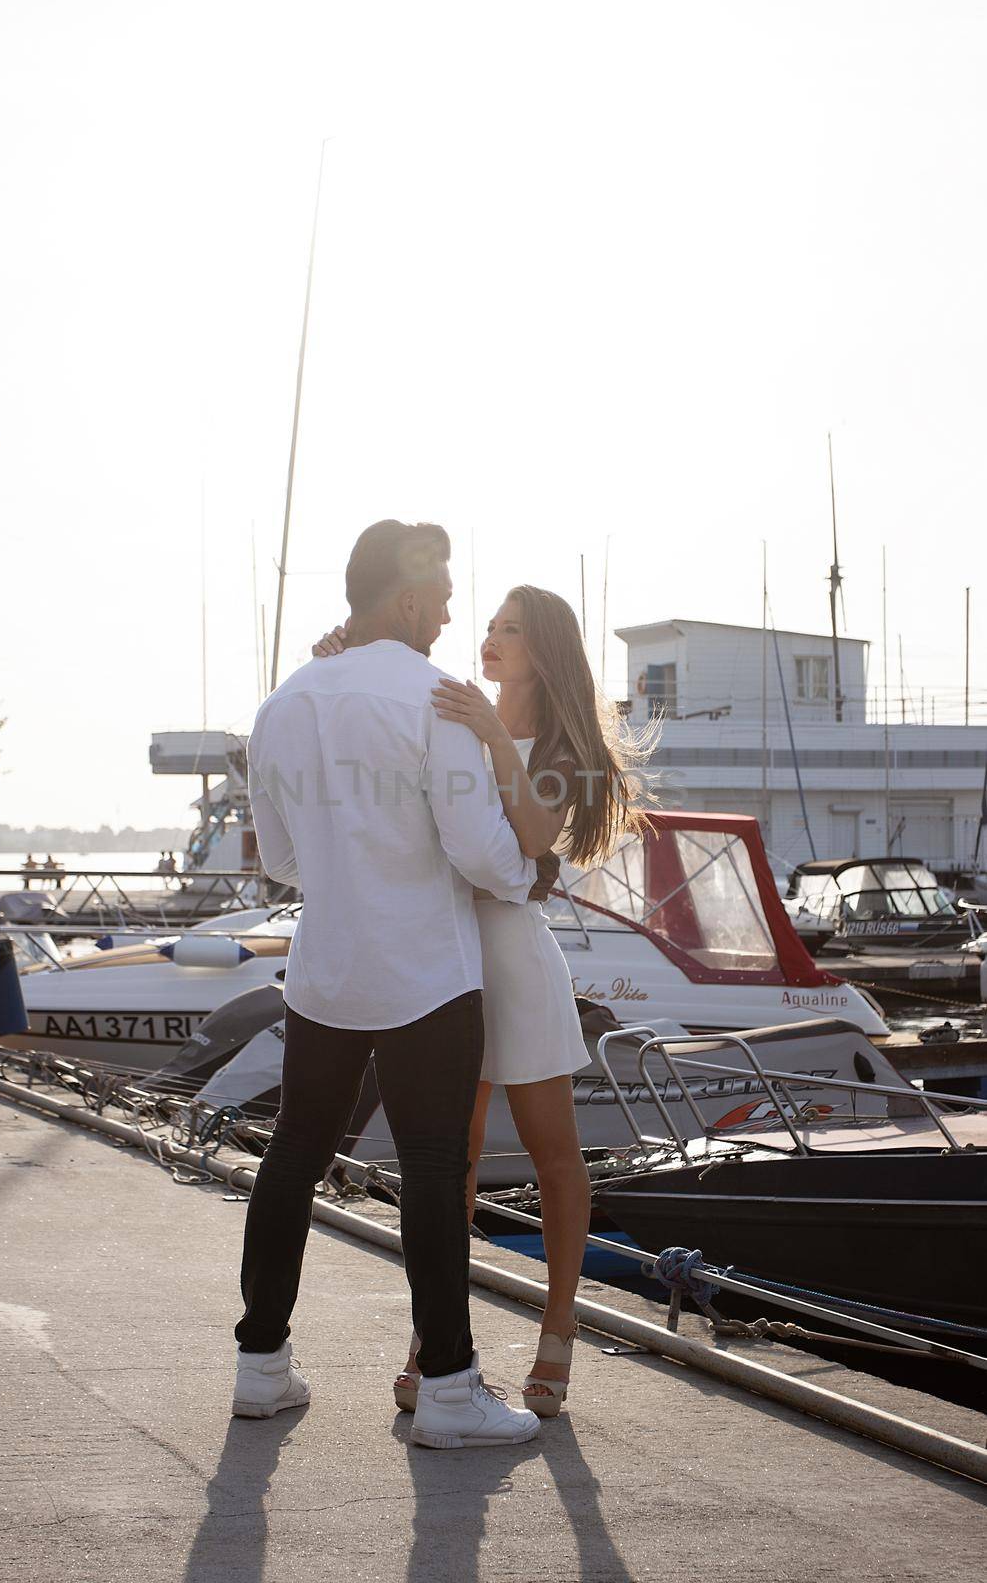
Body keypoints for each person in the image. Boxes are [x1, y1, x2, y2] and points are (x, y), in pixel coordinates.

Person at [233, 520, 553, 1451]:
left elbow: (283, 861)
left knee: (292, 1156)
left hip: (326, 970)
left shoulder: (282, 703)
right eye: (445, 597)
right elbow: (482, 853)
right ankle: (449, 1392)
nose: (452, 615)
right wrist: (520, 869)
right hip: (424, 976)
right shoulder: (437, 700)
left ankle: (261, 1368)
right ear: (407, 598)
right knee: (428, 1165)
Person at [312, 585, 651, 1417]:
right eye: (490, 627)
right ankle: (435, 1342)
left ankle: (558, 1327)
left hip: (513, 956)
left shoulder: (562, 747)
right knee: (447, 1161)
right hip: (439, 953)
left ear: (545, 651)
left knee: (552, 1155)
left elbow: (535, 841)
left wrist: (497, 735)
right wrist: (339, 665)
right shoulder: (444, 711)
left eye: (510, 631)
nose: (489, 641)